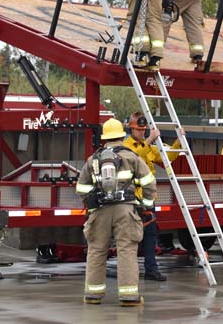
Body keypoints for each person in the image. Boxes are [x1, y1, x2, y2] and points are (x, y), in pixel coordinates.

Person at [75, 118, 157, 306]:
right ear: (122, 135)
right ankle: (128, 296)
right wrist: (145, 205)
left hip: (100, 211)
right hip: (126, 210)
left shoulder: (94, 159)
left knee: (96, 250)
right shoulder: (131, 156)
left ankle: (93, 295)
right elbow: (149, 182)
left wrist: (92, 205)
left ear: (104, 138)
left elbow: (81, 187)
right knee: (126, 250)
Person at [122, 111, 183, 281]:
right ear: (131, 129)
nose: (142, 132)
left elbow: (168, 156)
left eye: (143, 130)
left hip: (147, 199)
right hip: (131, 199)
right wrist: (150, 140)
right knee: (130, 237)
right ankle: (129, 271)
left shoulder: (148, 147)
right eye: (138, 130)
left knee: (150, 235)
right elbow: (134, 157)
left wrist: (179, 141)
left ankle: (151, 269)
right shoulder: (126, 146)